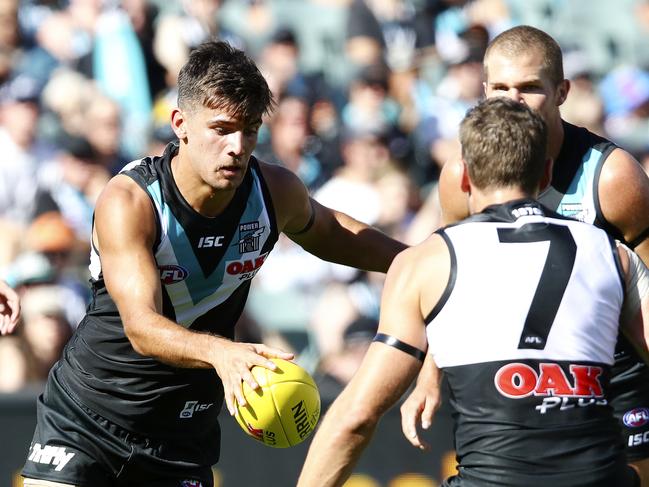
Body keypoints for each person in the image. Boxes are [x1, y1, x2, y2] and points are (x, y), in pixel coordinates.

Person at [21, 41, 407, 487]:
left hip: (183, 436)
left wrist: (420, 262)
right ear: (180, 124)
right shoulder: (131, 201)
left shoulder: (273, 192)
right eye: (221, 129)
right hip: (87, 420)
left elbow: (332, 233)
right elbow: (142, 327)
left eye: (250, 130)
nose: (237, 147)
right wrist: (222, 352)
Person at [298, 96, 649, 487]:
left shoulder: (427, 262)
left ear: (463, 176)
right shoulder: (612, 253)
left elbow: (357, 417)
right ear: (546, 173)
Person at [400, 25, 649, 482]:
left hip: (614, 378)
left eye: (530, 88)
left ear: (562, 93)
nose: (513, 100)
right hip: (514, 385)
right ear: (483, 89)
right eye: (500, 87)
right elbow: (451, 284)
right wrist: (429, 374)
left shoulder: (612, 178)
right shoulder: (465, 170)